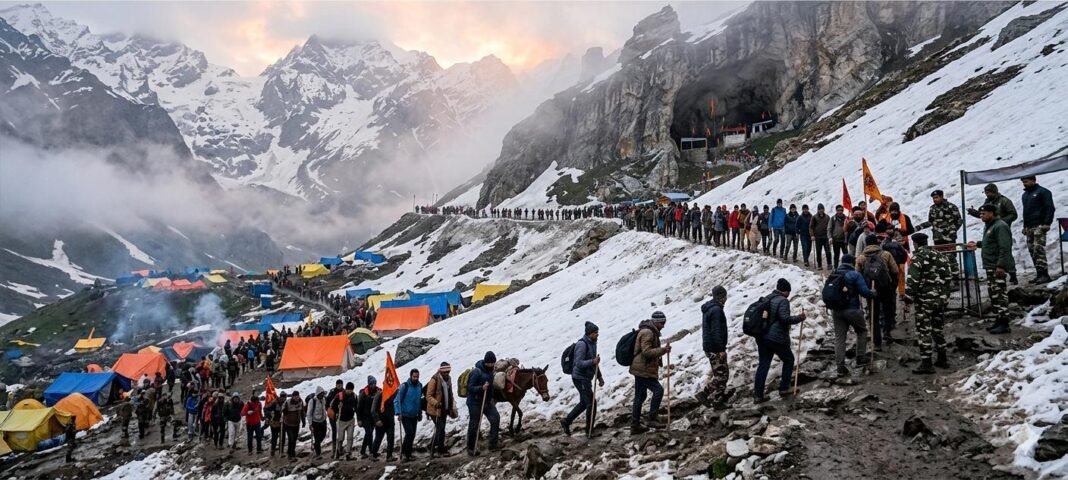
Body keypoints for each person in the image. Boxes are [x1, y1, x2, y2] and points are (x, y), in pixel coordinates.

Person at [905, 233, 955, 374]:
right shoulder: (940, 255)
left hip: (925, 300)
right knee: (937, 328)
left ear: (915, 243)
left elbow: (913, 280)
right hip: (940, 299)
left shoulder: (918, 257)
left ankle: (926, 363)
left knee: (924, 330)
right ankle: (942, 358)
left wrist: (908, 297)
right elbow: (948, 277)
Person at [754, 279, 806, 403]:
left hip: (762, 336)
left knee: (763, 365)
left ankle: (758, 395)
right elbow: (784, 318)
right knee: (789, 359)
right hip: (776, 338)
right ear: (786, 291)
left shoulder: (767, 298)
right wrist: (800, 318)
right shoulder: (783, 301)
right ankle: (784, 388)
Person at [969, 205, 1015, 334]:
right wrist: (977, 244)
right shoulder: (990, 225)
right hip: (990, 266)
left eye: (983, 213)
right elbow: (990, 243)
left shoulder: (1000, 226)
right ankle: (999, 319)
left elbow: (1005, 247)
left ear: (991, 213)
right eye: (981, 213)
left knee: (1000, 294)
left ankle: (1004, 322)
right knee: (994, 294)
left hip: (996, 266)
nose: (981, 216)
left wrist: (1001, 265)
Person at [829, 254, 875, 377]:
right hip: (852, 309)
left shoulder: (834, 274)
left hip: (837, 310)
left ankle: (840, 366)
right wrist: (873, 293)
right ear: (852, 263)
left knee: (840, 338)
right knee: (862, 331)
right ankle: (860, 357)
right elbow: (865, 292)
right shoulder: (854, 274)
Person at [856, 234, 901, 348]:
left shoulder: (861, 257)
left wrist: (863, 289)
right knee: (887, 311)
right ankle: (887, 332)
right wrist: (892, 286)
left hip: (870, 290)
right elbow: (895, 270)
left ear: (866, 243)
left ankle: (877, 341)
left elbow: (857, 275)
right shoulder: (886, 254)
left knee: (873, 314)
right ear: (877, 242)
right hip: (885, 288)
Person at [968, 183, 1019, 284]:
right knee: (993, 248)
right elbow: (984, 214)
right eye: (986, 192)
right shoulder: (987, 202)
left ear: (995, 191)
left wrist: (1002, 221)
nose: (987, 194)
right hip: (991, 227)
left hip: (1001, 228)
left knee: (1004, 251)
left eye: (989, 192)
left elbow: (1013, 214)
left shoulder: (1004, 201)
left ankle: (1012, 273)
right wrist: (975, 213)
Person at [630, 311, 671, 435]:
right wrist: (663, 350)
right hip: (643, 369)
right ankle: (652, 418)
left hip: (640, 368)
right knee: (658, 390)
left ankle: (635, 424)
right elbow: (647, 352)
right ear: (656, 322)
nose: (663, 325)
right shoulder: (648, 332)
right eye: (662, 323)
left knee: (640, 396)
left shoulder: (649, 331)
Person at [562, 321, 604, 436]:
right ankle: (589, 431)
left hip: (586, 377)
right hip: (580, 378)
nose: (597, 335)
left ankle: (566, 421)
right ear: (589, 333)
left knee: (584, 403)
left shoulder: (593, 343)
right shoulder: (582, 344)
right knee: (591, 403)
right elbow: (578, 363)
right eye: (595, 333)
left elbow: (594, 362)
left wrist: (599, 376)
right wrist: (592, 361)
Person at [698, 286, 730, 408]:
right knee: (722, 374)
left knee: (720, 373)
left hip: (709, 346)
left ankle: (714, 396)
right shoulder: (716, 310)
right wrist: (721, 349)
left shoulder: (709, 309)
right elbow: (716, 331)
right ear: (722, 296)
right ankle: (712, 397)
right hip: (715, 347)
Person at [1020, 176, 1056, 284]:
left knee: (1038, 249)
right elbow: (1026, 212)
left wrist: (1047, 223)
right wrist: (1025, 226)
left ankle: (1044, 274)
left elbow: (1049, 207)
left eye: (1026, 181)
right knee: (1032, 251)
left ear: (1033, 180)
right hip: (1029, 226)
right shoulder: (1025, 195)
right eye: (1023, 182)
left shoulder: (1043, 192)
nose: (1024, 184)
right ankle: (1039, 273)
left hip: (1040, 225)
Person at [466, 351, 500, 456]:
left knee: (495, 418)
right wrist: (481, 388)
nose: (493, 365)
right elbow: (470, 387)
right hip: (475, 402)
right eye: (492, 363)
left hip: (487, 401)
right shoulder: (477, 372)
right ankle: (471, 447)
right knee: (474, 424)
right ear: (487, 362)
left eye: (494, 363)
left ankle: (493, 444)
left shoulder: (491, 371)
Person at [426, 362, 458, 457]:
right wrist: (436, 403)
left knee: (440, 428)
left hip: (444, 408)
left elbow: (450, 392)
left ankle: (432, 446)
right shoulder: (434, 379)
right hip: (435, 409)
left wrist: (451, 405)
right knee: (440, 429)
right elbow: (428, 395)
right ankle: (440, 450)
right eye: (445, 372)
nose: (447, 373)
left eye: (448, 371)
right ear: (441, 371)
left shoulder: (449, 379)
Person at [396, 369, 423, 461]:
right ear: (410, 376)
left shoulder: (419, 386)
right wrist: (398, 412)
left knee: (412, 434)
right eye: (414, 376)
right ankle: (404, 454)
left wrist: (420, 413)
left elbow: (419, 400)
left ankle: (408, 454)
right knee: (409, 433)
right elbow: (397, 400)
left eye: (417, 377)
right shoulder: (404, 386)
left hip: (414, 415)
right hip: (405, 414)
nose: (415, 378)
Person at [331, 382, 358, 459]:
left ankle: (348, 453)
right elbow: (332, 405)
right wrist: (337, 408)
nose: (350, 391)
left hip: (350, 420)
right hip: (341, 420)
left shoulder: (355, 396)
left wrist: (358, 416)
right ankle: (338, 451)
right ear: (346, 389)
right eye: (348, 389)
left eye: (351, 390)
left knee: (350, 437)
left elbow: (357, 407)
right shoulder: (339, 396)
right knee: (340, 438)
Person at [371, 383, 396, 462]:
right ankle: (373, 454)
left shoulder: (392, 395)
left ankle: (389, 456)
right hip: (380, 421)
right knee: (378, 438)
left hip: (390, 420)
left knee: (391, 438)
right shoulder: (379, 395)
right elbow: (373, 409)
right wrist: (377, 420)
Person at [357, 377, 380, 458]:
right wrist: (359, 419)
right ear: (369, 384)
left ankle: (363, 451)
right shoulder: (364, 393)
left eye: (375, 383)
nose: (374, 385)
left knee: (368, 434)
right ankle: (371, 451)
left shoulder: (378, 391)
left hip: (373, 417)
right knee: (369, 433)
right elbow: (359, 407)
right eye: (372, 384)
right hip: (365, 416)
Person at [282, 391, 305, 459]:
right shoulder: (288, 402)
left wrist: (303, 421)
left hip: (296, 424)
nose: (296, 398)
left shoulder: (300, 402)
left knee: (294, 439)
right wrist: (285, 410)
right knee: (291, 438)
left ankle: (293, 451)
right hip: (288, 424)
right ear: (292, 396)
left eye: (297, 396)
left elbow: (302, 412)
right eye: (295, 396)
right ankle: (290, 453)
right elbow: (283, 410)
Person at [307, 387, 328, 457]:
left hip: (323, 420)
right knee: (317, 436)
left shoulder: (324, 399)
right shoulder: (312, 401)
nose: (323, 395)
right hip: (315, 421)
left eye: (323, 393)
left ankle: (316, 444)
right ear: (318, 394)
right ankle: (318, 453)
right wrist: (310, 424)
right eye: (321, 394)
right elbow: (309, 413)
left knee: (324, 434)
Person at [810, 204, 832, 270]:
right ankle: (819, 265)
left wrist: (830, 236)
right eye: (819, 209)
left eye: (822, 209)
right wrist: (812, 235)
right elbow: (811, 227)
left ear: (824, 209)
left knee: (828, 251)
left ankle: (829, 264)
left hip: (826, 237)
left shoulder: (827, 217)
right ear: (818, 210)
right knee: (818, 252)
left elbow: (830, 227)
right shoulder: (814, 217)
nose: (821, 210)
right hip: (818, 237)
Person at [265, 392, 285, 457]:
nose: (284, 399)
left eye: (285, 398)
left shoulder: (285, 403)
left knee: (283, 437)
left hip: (282, 422)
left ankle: (281, 451)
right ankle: (273, 450)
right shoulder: (274, 403)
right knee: (274, 437)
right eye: (282, 398)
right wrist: (270, 415)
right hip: (274, 422)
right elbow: (266, 408)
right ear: (280, 397)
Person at [327, 379, 343, 457]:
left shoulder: (343, 392)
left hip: (341, 414)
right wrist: (330, 411)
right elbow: (327, 403)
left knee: (341, 431)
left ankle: (340, 448)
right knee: (334, 430)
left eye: (341, 384)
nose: (339, 386)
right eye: (338, 384)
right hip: (333, 414)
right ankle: (334, 450)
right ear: (336, 385)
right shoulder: (332, 392)